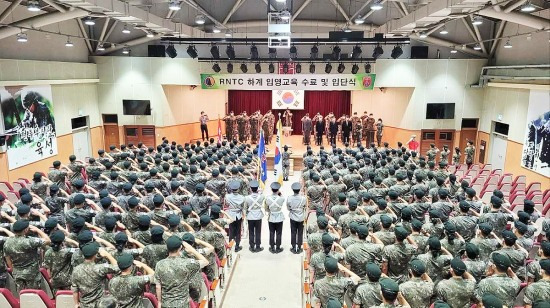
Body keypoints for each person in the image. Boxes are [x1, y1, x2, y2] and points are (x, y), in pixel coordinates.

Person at [154, 236, 209, 308]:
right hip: (183, 304)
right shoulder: (187, 263)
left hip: (166, 304)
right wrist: (192, 250)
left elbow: (158, 286)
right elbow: (206, 262)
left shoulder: (159, 264)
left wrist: (159, 302)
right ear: (180, 247)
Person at [4, 220, 51, 292]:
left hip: (17, 273)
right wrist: (38, 230)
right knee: (33, 294)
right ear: (25, 230)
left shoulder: (7, 242)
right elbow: (48, 240)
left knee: (22, 295)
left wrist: (14, 270)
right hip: (32, 273)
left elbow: (8, 260)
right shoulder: (30, 241)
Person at [71, 242, 119, 308]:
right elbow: (117, 267)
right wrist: (107, 255)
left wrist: (76, 304)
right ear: (95, 255)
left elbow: (75, 290)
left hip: (85, 305)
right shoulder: (100, 268)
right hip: (99, 305)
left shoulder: (76, 270)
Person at [244, 180, 265, 252]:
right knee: (258, 231)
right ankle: (258, 246)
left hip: (250, 216)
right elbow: (262, 193)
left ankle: (252, 246)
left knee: (251, 231)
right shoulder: (262, 196)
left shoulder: (247, 198)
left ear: (250, 189)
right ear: (257, 188)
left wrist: (245, 215)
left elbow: (245, 208)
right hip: (258, 215)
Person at [287, 182, 307, 254]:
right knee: (300, 232)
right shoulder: (303, 199)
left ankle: (293, 246)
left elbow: (288, 207)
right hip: (301, 217)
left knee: (293, 231)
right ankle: (299, 246)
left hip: (293, 217)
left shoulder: (289, 198)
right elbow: (305, 207)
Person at [225, 181, 245, 252]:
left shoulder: (227, 196)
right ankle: (237, 246)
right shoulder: (242, 197)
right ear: (238, 189)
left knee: (231, 230)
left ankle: (230, 245)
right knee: (238, 231)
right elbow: (242, 207)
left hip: (231, 215)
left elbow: (227, 204)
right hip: (238, 214)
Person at [265, 182, 285, 253]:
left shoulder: (267, 198)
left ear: (271, 189)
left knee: (271, 232)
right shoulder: (281, 198)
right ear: (278, 190)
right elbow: (283, 198)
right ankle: (278, 247)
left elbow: (266, 209)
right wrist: (280, 194)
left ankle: (272, 247)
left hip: (271, 217)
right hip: (279, 217)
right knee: (279, 233)